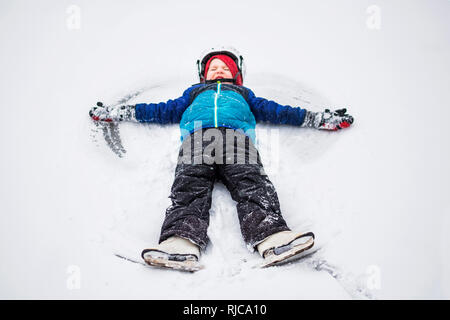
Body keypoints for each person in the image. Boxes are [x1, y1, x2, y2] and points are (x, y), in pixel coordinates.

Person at [89, 46, 354, 271]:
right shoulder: (192, 94)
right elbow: (158, 110)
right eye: (213, 68)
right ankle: (180, 240)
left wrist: (319, 118)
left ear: (236, 75)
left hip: (237, 140)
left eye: (224, 68)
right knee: (188, 187)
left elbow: (281, 111)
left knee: (253, 184)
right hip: (197, 140)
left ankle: (271, 235)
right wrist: (117, 112)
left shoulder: (244, 95)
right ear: (203, 75)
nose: (218, 71)